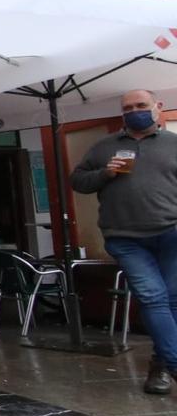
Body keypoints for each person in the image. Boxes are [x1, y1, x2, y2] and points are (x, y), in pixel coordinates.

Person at [72, 89, 177, 395]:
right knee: (153, 298)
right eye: (128, 108)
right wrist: (105, 173)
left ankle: (160, 364)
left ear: (157, 108)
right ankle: (173, 362)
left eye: (141, 106)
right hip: (125, 238)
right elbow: (78, 181)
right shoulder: (104, 147)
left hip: (171, 233)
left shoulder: (173, 143)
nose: (134, 111)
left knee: (172, 301)